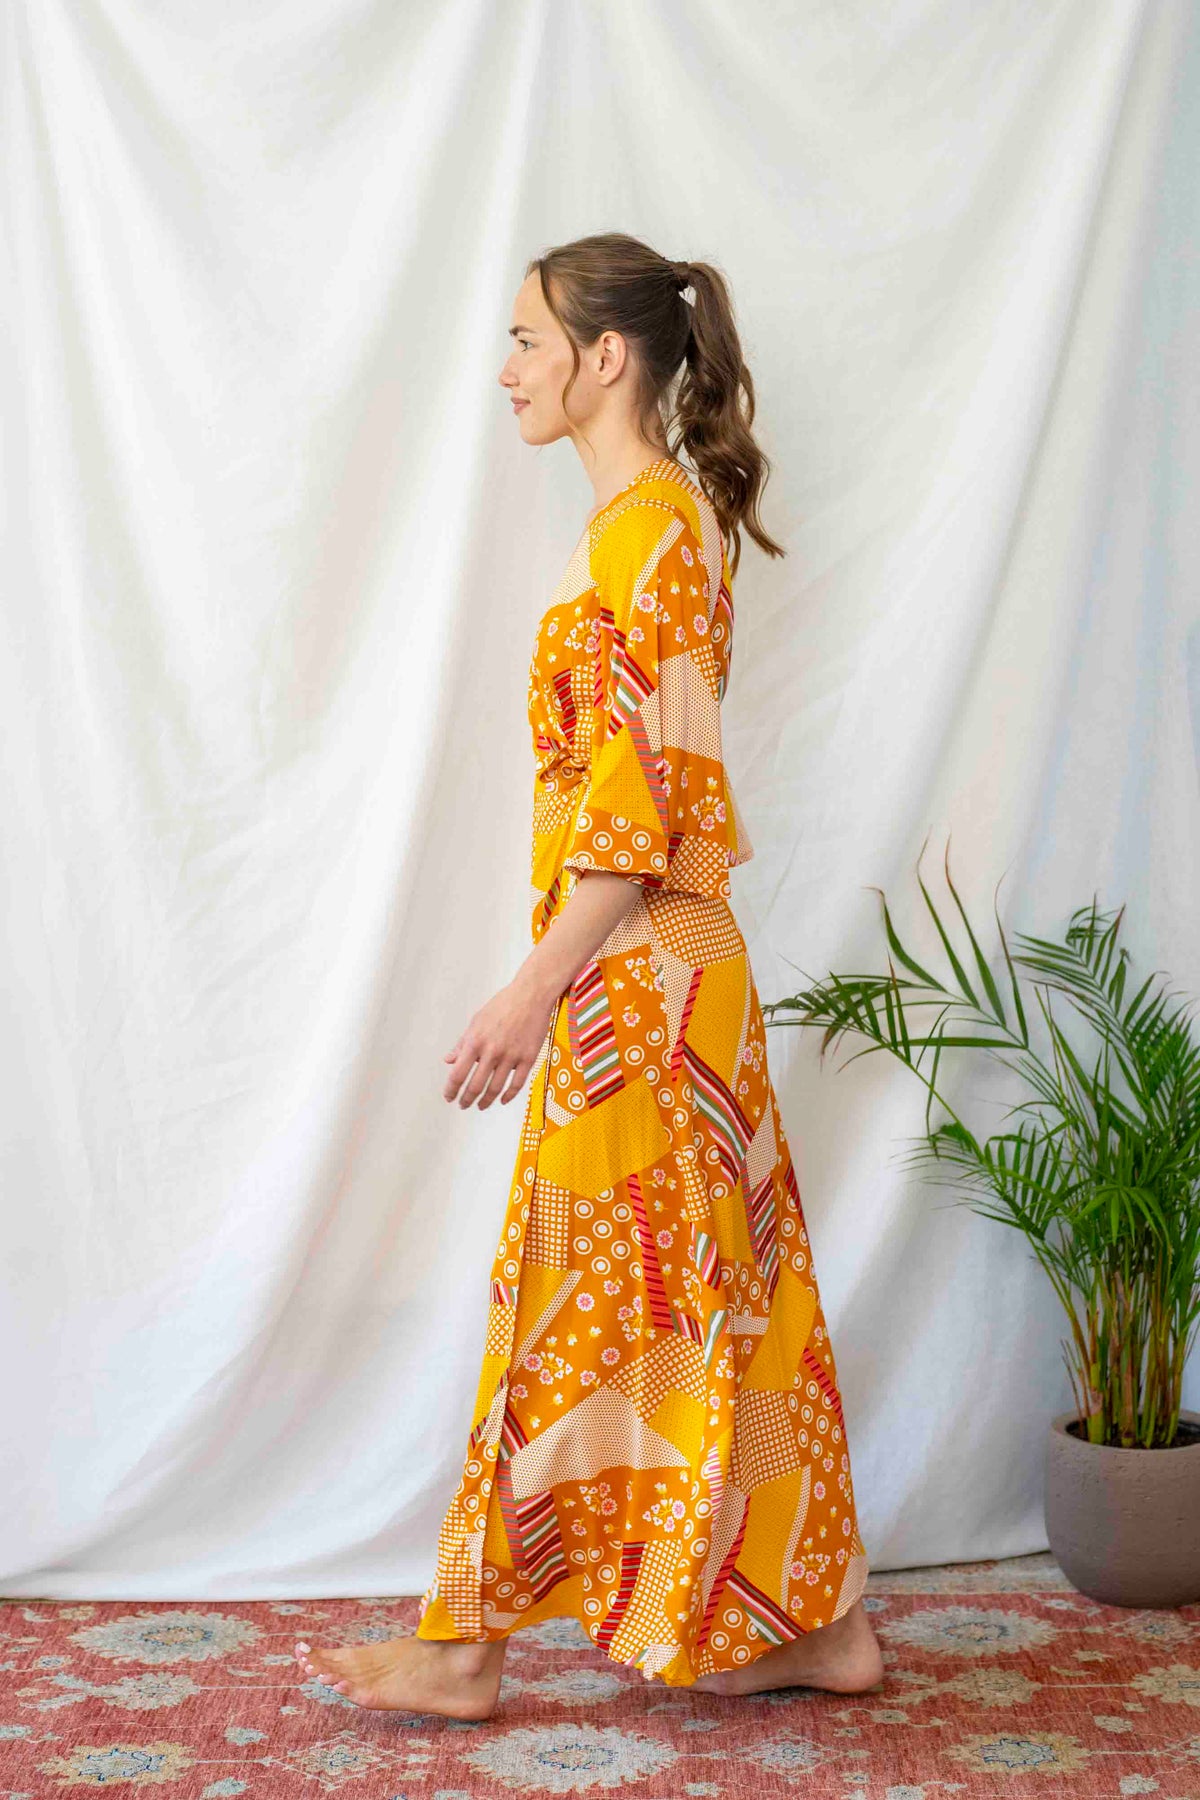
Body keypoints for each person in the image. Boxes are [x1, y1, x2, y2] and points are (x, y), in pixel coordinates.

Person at [295, 232, 883, 1716]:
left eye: (526, 341)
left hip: (642, 985)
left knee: (583, 1295)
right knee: (712, 1302)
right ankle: (813, 1629)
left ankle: (469, 1649)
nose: (506, 371)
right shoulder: (647, 523)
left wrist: (529, 989)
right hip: (661, 981)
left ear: (602, 357)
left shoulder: (649, 534)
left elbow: (639, 809)